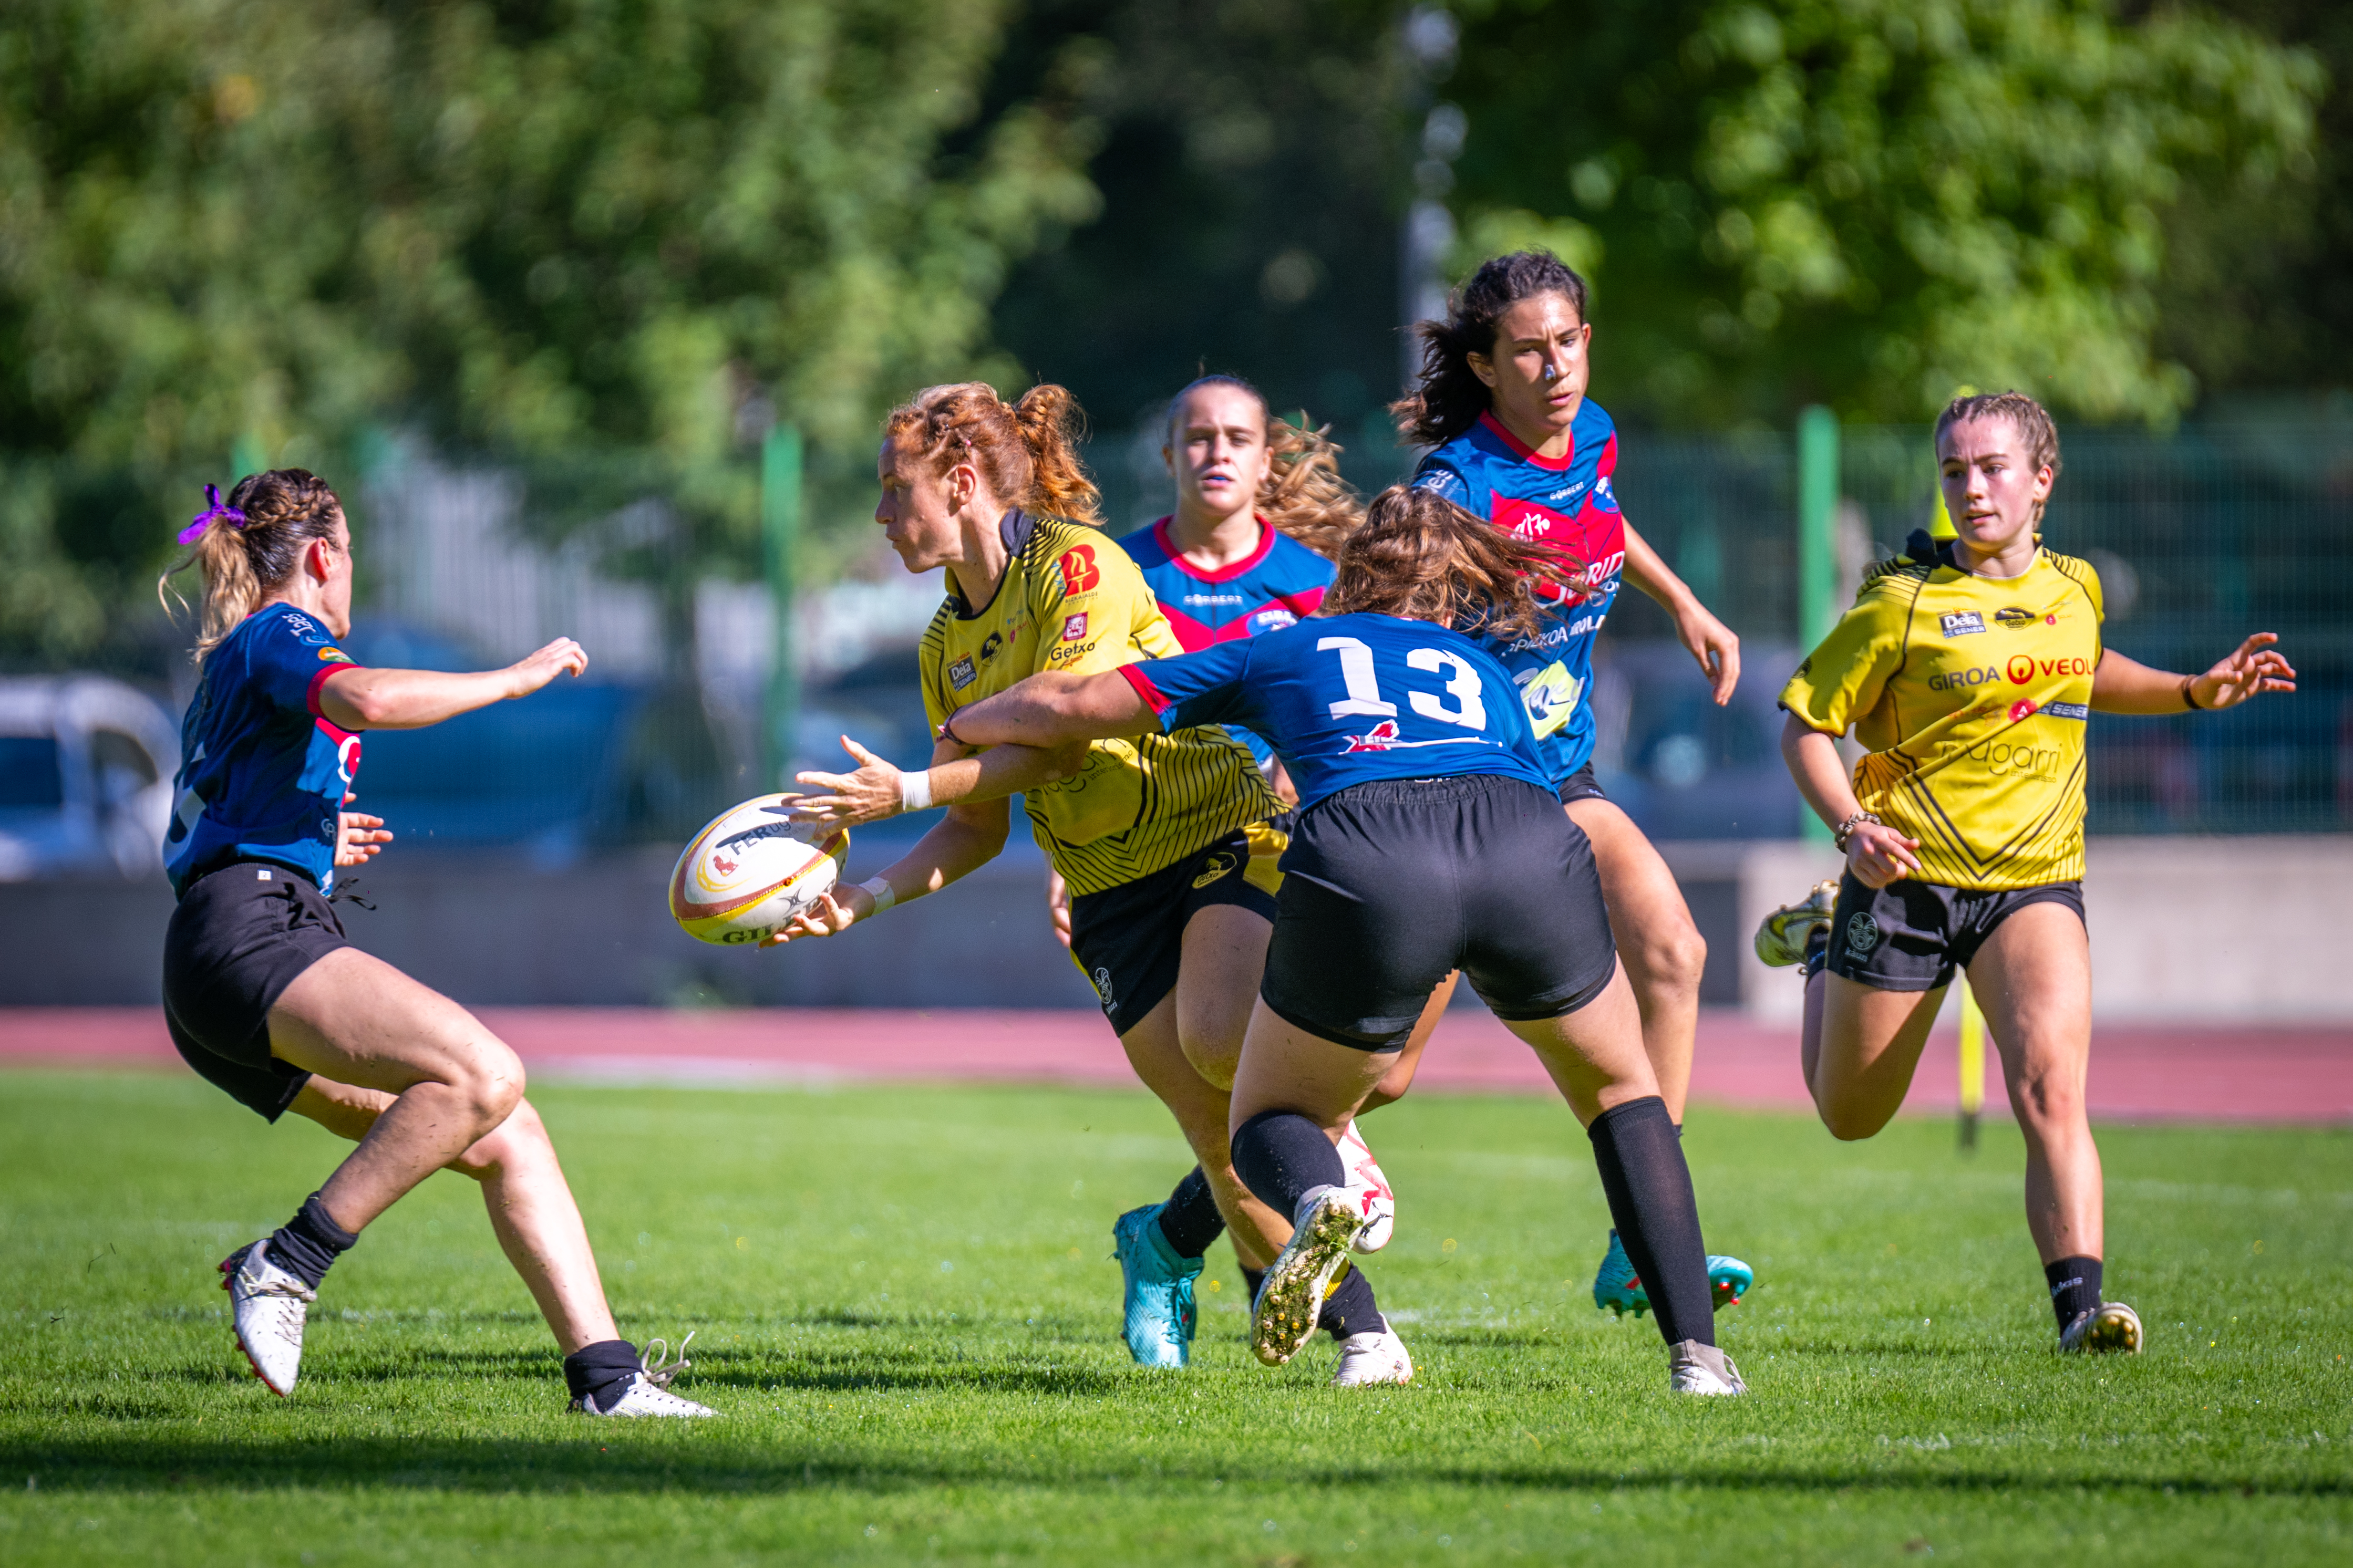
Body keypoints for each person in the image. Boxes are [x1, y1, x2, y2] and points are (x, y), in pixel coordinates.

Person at [937, 484, 1749, 1394]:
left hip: (1375, 857)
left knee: (1264, 1116)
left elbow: (1086, 702)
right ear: (1451, 598)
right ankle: (1700, 1358)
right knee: (1620, 1092)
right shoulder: (1476, 664)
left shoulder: (1289, 646)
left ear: (1345, 581)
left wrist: (961, 728)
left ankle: (1324, 1206)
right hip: (1525, 840)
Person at [775, 384, 1392, 1380]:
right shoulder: (943, 642)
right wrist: (865, 896)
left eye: (897, 491)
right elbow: (974, 826)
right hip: (1108, 891)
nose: (883, 516)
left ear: (962, 483)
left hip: (1217, 830)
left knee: (1223, 1043)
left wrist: (905, 787)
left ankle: (1337, 1171)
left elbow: (1070, 731)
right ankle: (1353, 1328)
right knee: (1211, 1128)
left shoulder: (1077, 562)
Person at [156, 471, 710, 1416]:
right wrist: (513, 679)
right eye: (352, 557)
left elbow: (204, 818)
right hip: (251, 933)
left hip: (223, 942)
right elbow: (361, 699)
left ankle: (607, 1380)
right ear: (324, 556)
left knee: (506, 1133)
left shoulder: (237, 660)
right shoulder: (283, 631)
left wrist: (310, 836)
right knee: (484, 1073)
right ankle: (286, 1265)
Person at [1753, 392, 2296, 1353]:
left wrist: (2192, 691)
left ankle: (2080, 1312)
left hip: (2034, 886)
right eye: (1954, 471)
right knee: (1849, 1116)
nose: (1970, 488)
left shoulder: (2075, 586)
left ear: (2042, 478)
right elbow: (1806, 728)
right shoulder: (1899, 602)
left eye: (1992, 467)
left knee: (2050, 1086)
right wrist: (1850, 832)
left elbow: (2080, 665)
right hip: (1902, 881)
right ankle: (1822, 948)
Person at [1396, 249, 1753, 1317]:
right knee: (1382, 1074)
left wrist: (1684, 601)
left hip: (1563, 775)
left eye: (1568, 341)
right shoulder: (1454, 488)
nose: (1554, 366)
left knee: (1675, 951)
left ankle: (1636, 1242)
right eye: (1527, 350)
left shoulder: (1589, 438)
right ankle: (1189, 1218)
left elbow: (1597, 514)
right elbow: (1389, 622)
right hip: (1462, 794)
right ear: (1484, 365)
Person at [1111, 374, 1409, 1267]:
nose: (1215, 453)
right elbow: (1095, 721)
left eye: (1236, 438)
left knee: (1311, 1069)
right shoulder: (1121, 578)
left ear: (1265, 459)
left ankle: (1171, 1239)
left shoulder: (1315, 584)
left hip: (1278, 843)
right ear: (1168, 455)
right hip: (1151, 847)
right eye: (1197, 437)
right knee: (1216, 1096)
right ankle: (1254, 1264)